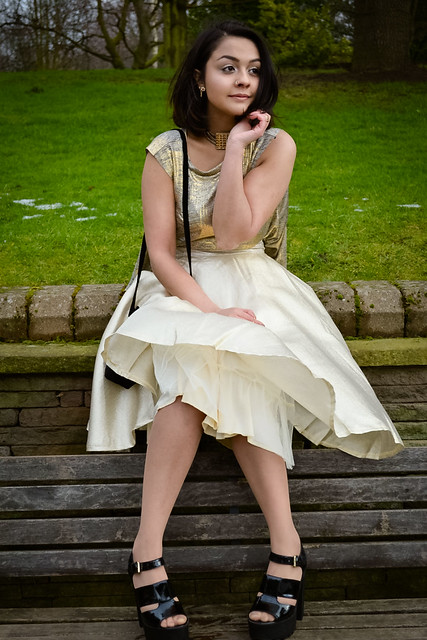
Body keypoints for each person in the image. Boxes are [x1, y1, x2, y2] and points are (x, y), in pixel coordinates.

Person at [87, 20, 403, 640]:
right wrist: (209, 310)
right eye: (228, 67)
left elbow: (234, 235)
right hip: (181, 287)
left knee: (240, 364)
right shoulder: (165, 151)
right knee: (193, 375)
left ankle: (236, 549)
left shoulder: (275, 144)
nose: (243, 80)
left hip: (256, 283)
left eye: (253, 69)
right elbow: (163, 255)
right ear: (199, 77)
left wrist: (234, 150)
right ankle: (187, 550)